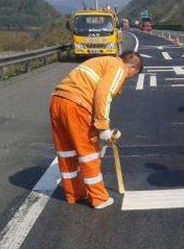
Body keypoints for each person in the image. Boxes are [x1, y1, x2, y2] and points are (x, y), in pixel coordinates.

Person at [50, 51, 143, 209]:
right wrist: (103, 126)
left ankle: (74, 193)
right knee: (89, 154)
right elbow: (103, 94)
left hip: (58, 100)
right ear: (133, 68)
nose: (128, 78)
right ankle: (98, 198)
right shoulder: (118, 67)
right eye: (132, 75)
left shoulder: (102, 61)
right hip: (77, 105)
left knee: (66, 152)